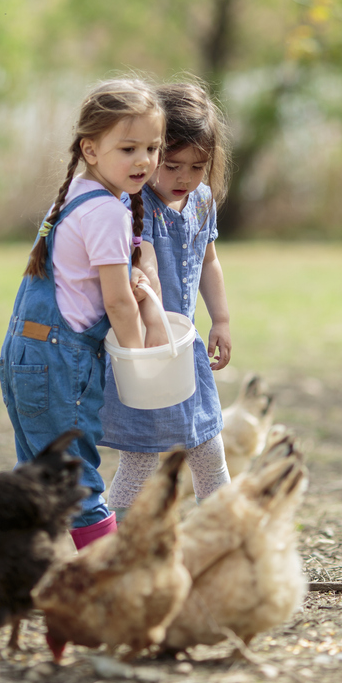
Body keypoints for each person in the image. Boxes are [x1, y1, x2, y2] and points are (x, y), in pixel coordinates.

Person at [0, 78, 168, 549]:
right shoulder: (109, 212)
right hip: (59, 365)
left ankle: (20, 572)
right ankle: (107, 584)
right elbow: (115, 301)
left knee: (36, 479)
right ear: (90, 149)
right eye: (128, 147)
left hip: (22, 355)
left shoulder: (75, 192)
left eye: (152, 147)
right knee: (77, 483)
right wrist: (138, 359)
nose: (143, 161)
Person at [100, 80, 233, 517]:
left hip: (186, 348)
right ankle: (104, 549)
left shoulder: (202, 202)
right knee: (140, 462)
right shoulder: (133, 209)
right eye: (172, 165)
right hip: (147, 353)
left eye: (198, 167)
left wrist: (221, 319)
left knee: (209, 452)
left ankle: (225, 542)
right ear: (153, 152)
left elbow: (209, 261)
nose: (184, 178)